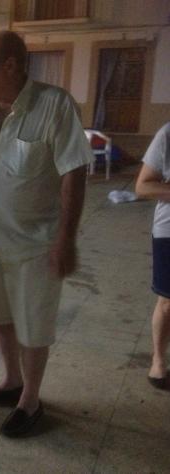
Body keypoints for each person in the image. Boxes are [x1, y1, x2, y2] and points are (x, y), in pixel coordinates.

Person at [0, 30, 93, 437]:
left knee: (33, 326)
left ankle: (30, 401)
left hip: (38, 243)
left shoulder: (55, 105)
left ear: (11, 65)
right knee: (0, 315)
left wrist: (66, 239)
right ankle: (11, 381)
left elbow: (74, 174)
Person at [135, 122, 170, 391]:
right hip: (169, 231)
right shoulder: (168, 134)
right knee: (168, 301)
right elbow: (143, 186)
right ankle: (158, 360)